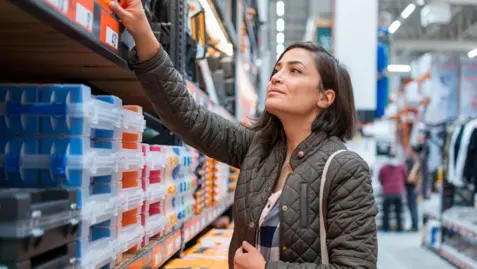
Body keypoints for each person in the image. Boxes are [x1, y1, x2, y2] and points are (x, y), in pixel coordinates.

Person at [109, 1, 378, 268]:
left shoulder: (345, 169)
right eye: (277, 70)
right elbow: (187, 115)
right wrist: (143, 34)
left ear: (325, 97)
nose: (276, 77)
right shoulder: (259, 149)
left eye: (294, 70)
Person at [379, 152, 408, 232]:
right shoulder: (402, 166)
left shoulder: (383, 167)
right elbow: (405, 177)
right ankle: (399, 228)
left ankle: (385, 228)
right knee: (398, 212)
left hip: (387, 192)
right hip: (398, 192)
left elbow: (380, 179)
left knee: (386, 212)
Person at [405, 150, 422, 232]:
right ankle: (413, 225)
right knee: (411, 208)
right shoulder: (409, 162)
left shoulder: (416, 164)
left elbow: (411, 179)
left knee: (413, 207)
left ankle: (415, 226)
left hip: (413, 189)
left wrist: (418, 190)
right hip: (410, 188)